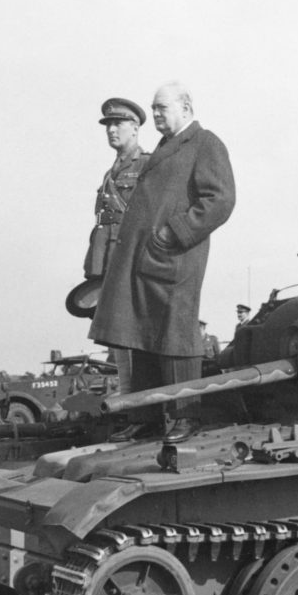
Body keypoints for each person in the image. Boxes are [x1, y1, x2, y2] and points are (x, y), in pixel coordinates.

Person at [90, 82, 236, 443]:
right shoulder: (166, 146)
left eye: (161, 108)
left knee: (176, 337)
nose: (155, 114)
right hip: (147, 259)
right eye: (153, 108)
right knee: (140, 333)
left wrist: (174, 234)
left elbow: (220, 199)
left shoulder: (206, 143)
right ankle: (145, 416)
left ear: (185, 107)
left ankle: (184, 417)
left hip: (175, 258)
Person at [85, 98, 151, 280]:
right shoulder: (109, 174)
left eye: (117, 124)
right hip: (101, 254)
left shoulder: (148, 164)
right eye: (108, 125)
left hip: (127, 254)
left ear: (135, 128)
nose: (111, 130)